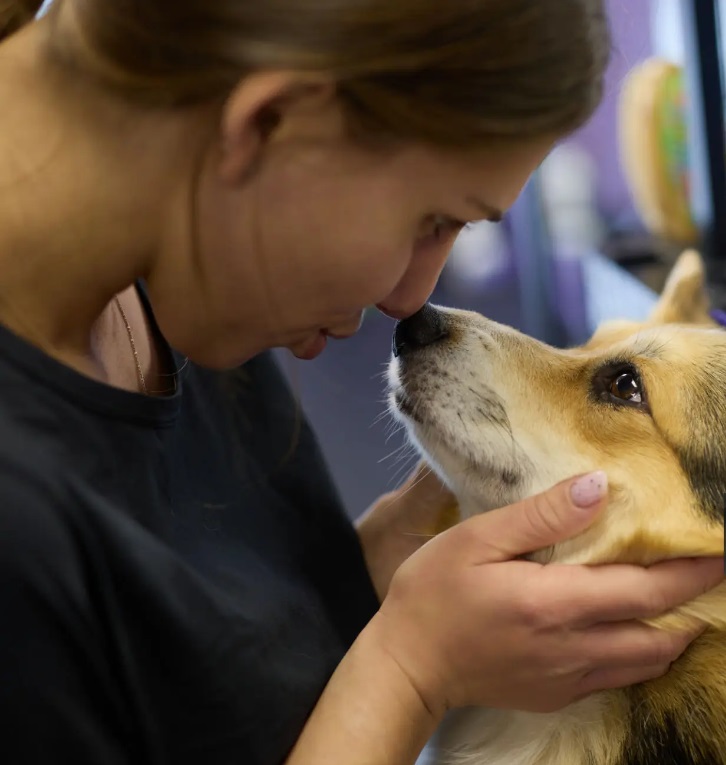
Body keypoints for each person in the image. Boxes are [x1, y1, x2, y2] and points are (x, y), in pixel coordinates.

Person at [0, 1, 721, 764]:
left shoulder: (188, 254)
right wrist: (409, 670)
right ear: (270, 123)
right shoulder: (20, 522)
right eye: (431, 218)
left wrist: (370, 576)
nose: (412, 298)